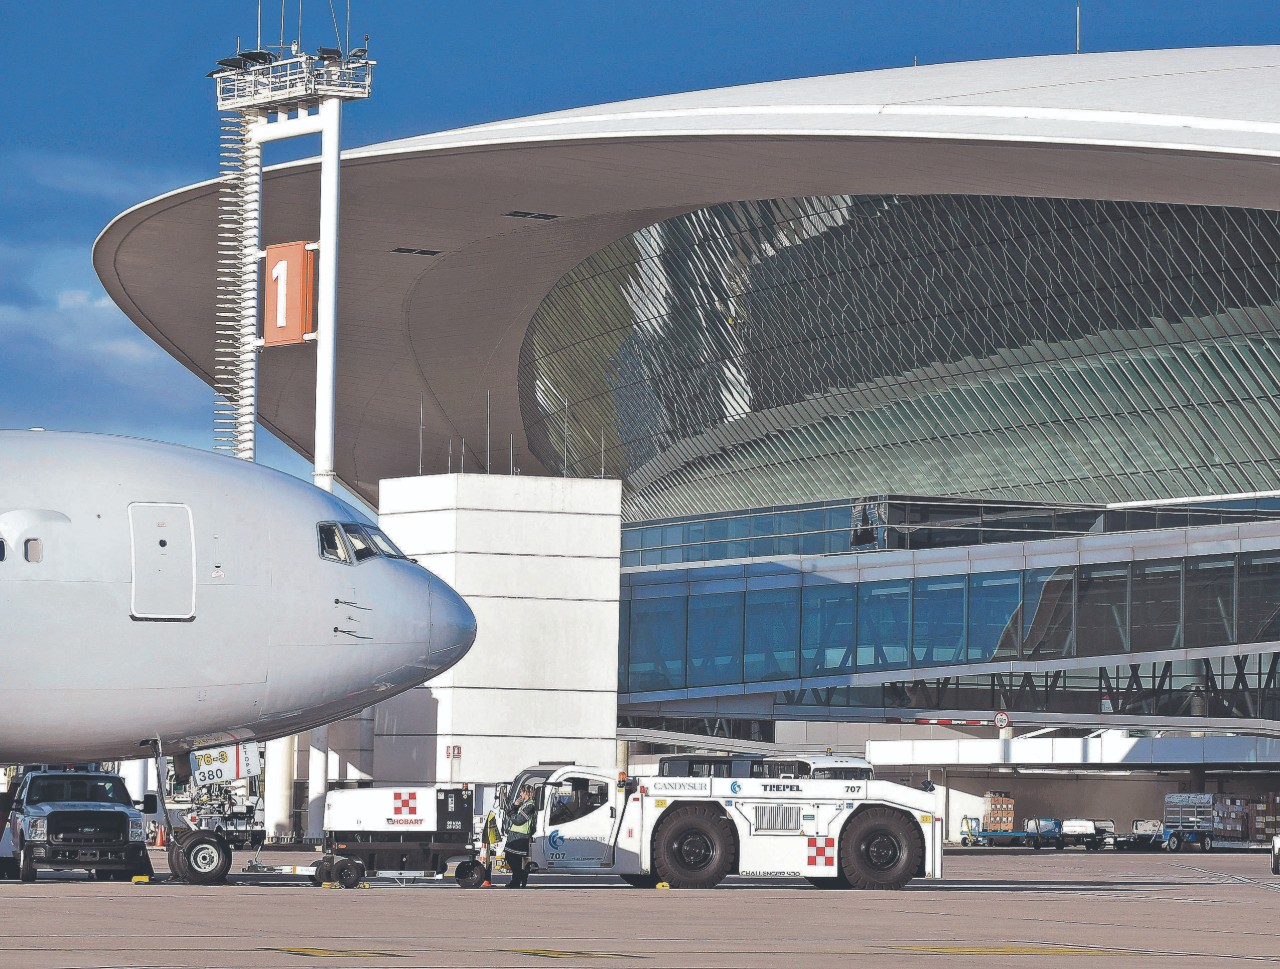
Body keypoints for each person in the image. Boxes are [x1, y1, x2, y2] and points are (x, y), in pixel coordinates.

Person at [504, 784, 537, 889]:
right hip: (515, 835)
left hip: (520, 836)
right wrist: (515, 805)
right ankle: (516, 880)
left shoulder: (530, 805)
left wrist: (511, 811)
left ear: (526, 793)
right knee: (512, 859)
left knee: (512, 858)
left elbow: (518, 820)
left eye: (522, 792)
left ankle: (521, 875)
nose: (520, 794)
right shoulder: (525, 804)